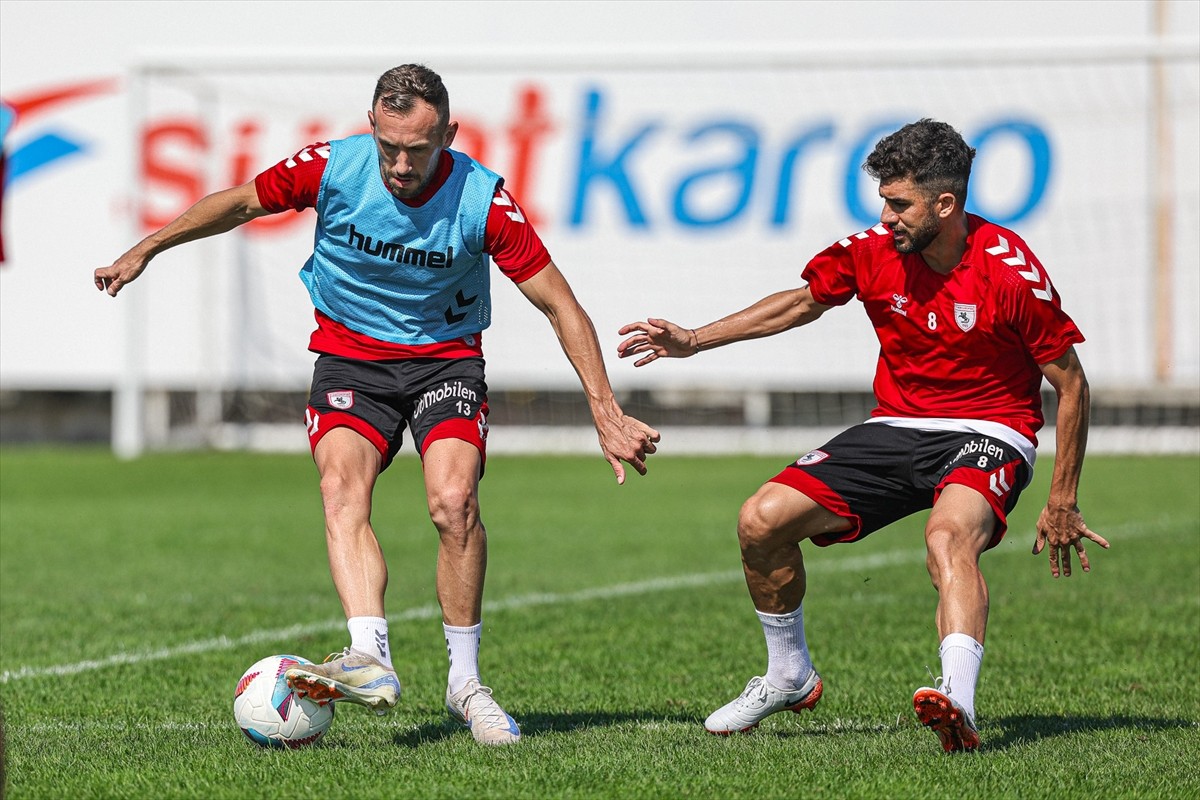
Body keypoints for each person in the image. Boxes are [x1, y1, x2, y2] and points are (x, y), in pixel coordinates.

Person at [96, 64, 660, 746]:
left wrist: (604, 409)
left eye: (417, 149)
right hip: (349, 360)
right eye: (388, 145)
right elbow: (242, 202)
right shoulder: (330, 168)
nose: (399, 163)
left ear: (448, 134)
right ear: (372, 125)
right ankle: (370, 653)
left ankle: (466, 685)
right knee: (341, 486)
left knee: (454, 504)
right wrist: (148, 247)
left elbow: (559, 303)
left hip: (445, 360)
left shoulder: (482, 200)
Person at [616, 119, 1107, 753]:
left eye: (899, 203)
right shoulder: (875, 248)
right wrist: (693, 340)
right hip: (896, 425)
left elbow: (1072, 384)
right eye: (884, 200)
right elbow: (802, 301)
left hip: (990, 428)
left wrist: (1062, 496)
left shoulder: (1009, 273)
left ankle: (958, 703)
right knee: (760, 520)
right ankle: (789, 673)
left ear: (945, 204)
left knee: (947, 536)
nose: (886, 215)